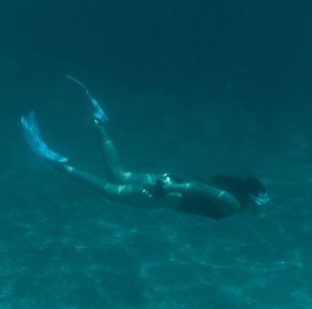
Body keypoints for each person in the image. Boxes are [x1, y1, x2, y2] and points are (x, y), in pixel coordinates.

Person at [21, 78, 269, 222]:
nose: (260, 212)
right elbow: (199, 188)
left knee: (117, 174)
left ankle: (98, 121)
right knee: (108, 189)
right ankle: (53, 160)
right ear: (251, 199)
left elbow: (201, 186)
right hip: (166, 193)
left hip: (170, 183)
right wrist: (167, 188)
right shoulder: (234, 204)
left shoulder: (233, 192)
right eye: (260, 207)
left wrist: (169, 184)